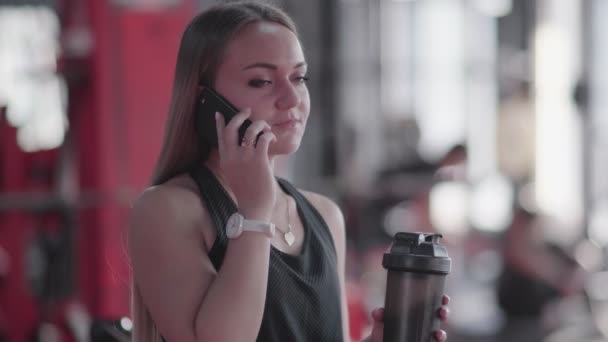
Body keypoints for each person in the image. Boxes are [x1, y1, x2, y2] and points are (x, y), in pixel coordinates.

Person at [127, 2, 450, 341]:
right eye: (262, 81)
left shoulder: (325, 215)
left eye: (299, 77)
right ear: (204, 100)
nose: (291, 96)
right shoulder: (167, 210)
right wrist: (254, 213)